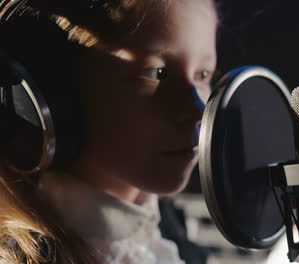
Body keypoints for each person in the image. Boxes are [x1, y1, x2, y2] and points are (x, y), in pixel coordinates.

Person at [0, 0, 218, 263]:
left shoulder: (168, 237)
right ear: (56, 89)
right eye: (157, 73)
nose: (197, 111)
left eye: (202, 75)